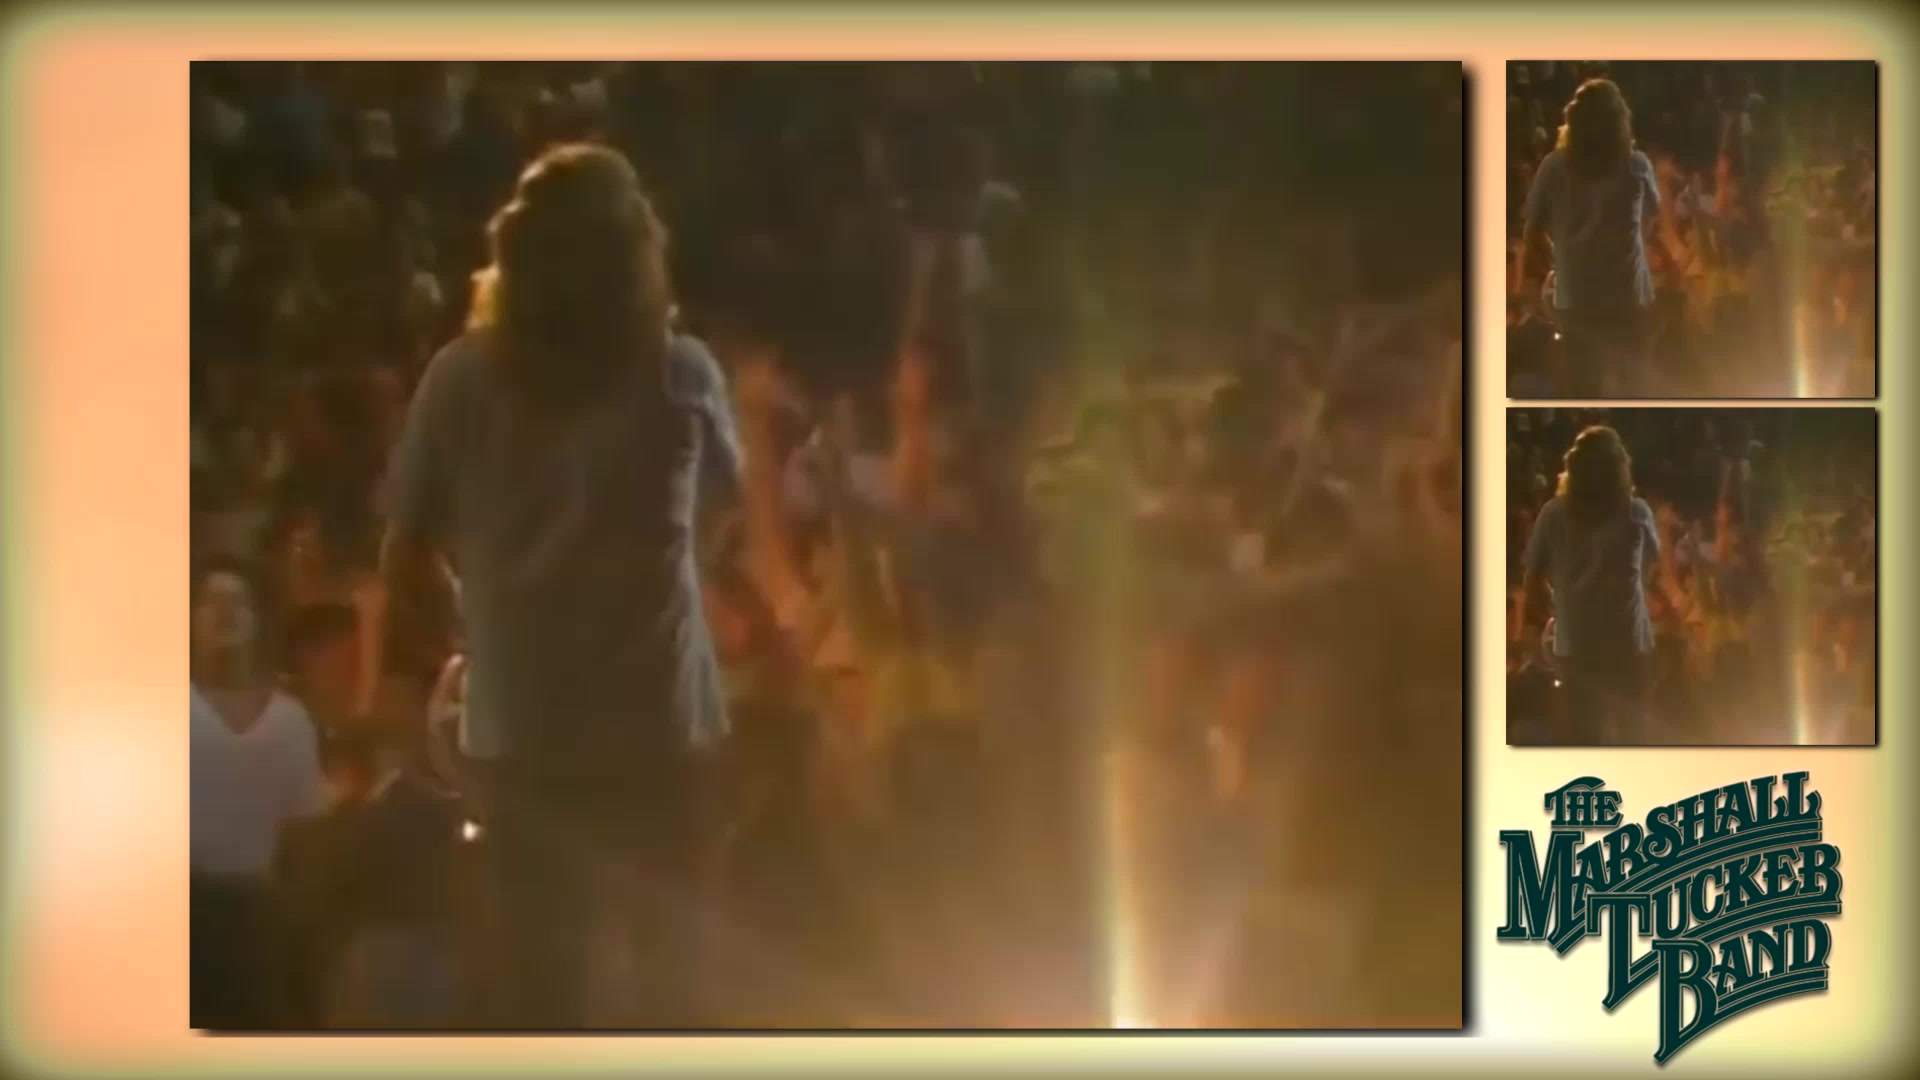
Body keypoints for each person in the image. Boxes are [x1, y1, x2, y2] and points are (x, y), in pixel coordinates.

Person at [378, 143, 741, 1028]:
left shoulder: (461, 382)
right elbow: (726, 520)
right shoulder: (682, 375)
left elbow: (404, 559)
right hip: (663, 724)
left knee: (540, 998)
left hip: (523, 735)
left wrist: (481, 628)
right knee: (679, 990)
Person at [190, 558, 330, 1028]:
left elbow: (307, 832)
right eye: (212, 601)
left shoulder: (290, 720)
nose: (225, 612)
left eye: (239, 602)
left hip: (261, 918)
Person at [1513, 426, 1661, 743]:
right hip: (1629, 644)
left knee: (1583, 739)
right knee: (1635, 737)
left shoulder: (1553, 515)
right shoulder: (1637, 513)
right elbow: (1653, 566)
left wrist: (1562, 607)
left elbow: (1532, 582)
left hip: (1576, 648)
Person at [1515, 79, 1662, 396]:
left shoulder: (1553, 168)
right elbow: (1653, 218)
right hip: (1629, 296)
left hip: (1576, 300)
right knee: (1635, 384)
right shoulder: (1637, 166)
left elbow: (1532, 233)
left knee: (1582, 387)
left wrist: (1561, 259)